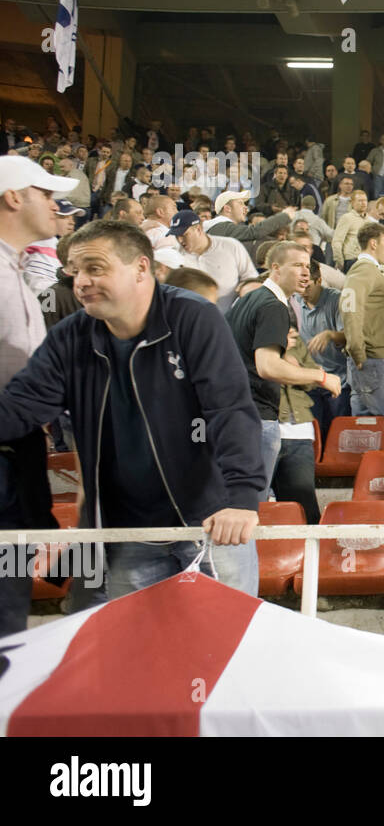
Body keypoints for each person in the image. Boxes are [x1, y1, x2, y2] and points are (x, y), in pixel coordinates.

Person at [0, 220, 266, 600]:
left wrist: (241, 497)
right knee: (136, 655)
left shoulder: (193, 318)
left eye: (95, 268)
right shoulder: (70, 336)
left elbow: (229, 409)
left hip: (209, 523)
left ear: (142, 267)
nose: (81, 282)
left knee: (224, 651)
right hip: (128, 533)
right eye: (75, 272)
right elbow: (20, 408)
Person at [0, 157, 72, 635]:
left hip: (17, 456)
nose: (56, 204)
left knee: (10, 602)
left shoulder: (15, 270)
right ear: (12, 198)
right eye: (45, 194)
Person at [227, 242, 341, 502]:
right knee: (250, 509)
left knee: (244, 503)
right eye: (297, 265)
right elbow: (267, 366)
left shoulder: (248, 300)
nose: (306, 273)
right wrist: (321, 377)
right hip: (257, 417)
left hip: (240, 414)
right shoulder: (273, 305)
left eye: (308, 267)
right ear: (275, 269)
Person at [342, 223, 384, 436]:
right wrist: (357, 349)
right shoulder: (364, 270)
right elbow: (350, 307)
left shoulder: (366, 271)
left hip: (369, 359)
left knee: (366, 433)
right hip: (375, 359)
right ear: (373, 243)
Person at [297, 258, 351, 440]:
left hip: (338, 379)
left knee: (336, 435)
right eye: (300, 286)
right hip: (311, 378)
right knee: (314, 433)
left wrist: (329, 334)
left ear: (319, 281)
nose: (303, 292)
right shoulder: (294, 302)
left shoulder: (337, 300)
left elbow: (349, 336)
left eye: (308, 286)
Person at [169, 209, 259, 311]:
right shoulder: (174, 256)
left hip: (230, 319)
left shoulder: (231, 246)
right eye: (176, 236)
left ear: (198, 229)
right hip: (191, 319)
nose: (180, 240)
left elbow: (251, 278)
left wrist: (244, 291)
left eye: (183, 235)